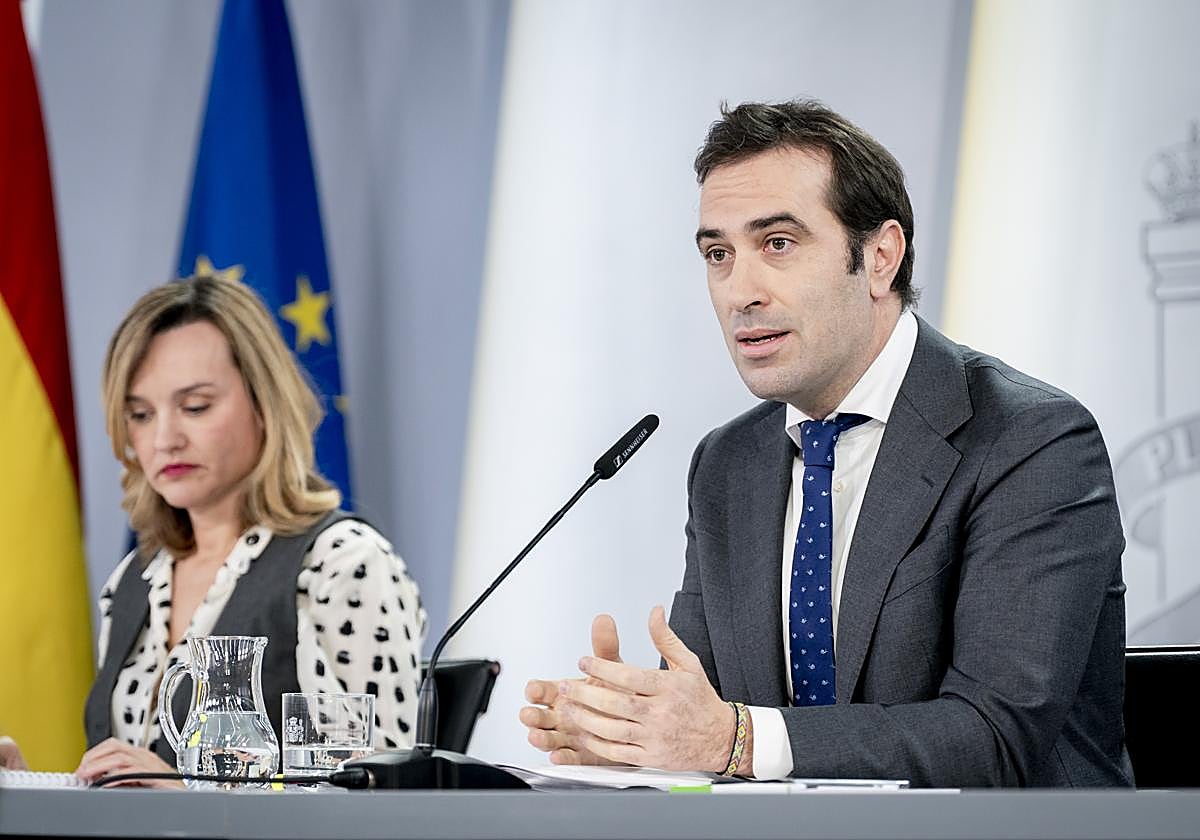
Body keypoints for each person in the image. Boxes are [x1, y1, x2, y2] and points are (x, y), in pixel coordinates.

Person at [520, 100, 1132, 787]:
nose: (739, 291)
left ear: (879, 258)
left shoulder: (1030, 441)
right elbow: (706, 725)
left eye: (777, 244)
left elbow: (992, 738)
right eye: (718, 254)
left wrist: (735, 740)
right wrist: (635, 741)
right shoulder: (727, 466)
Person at [4, 275, 425, 785]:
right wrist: (29, 790)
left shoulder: (340, 563)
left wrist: (189, 791)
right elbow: (128, 788)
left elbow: (382, 791)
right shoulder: (135, 579)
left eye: (196, 407)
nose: (163, 439)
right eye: (140, 414)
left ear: (265, 406)